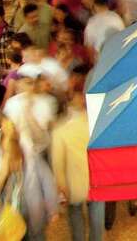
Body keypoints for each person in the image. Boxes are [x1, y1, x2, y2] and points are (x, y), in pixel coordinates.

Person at [0, 119, 58, 241]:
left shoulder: (32, 159)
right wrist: (3, 174)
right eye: (6, 152)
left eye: (12, 152)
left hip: (33, 216)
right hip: (10, 221)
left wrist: (52, 209)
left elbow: (48, 182)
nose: (10, 157)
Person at [52, 78, 104, 241]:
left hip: (73, 184)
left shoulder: (60, 130)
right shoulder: (95, 124)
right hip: (96, 180)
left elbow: (57, 162)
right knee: (97, 219)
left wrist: (61, 184)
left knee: (75, 217)